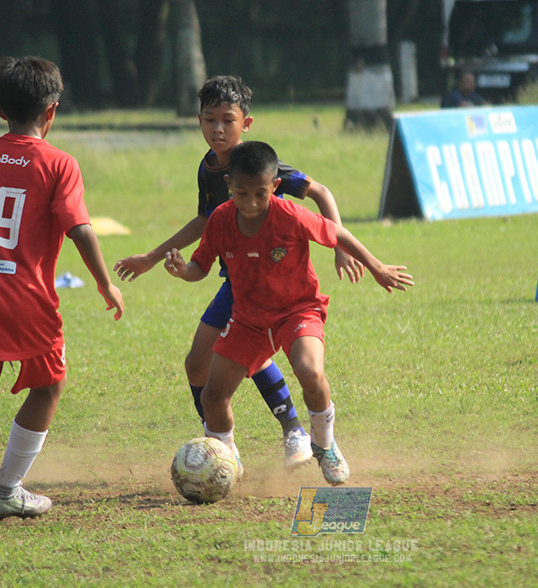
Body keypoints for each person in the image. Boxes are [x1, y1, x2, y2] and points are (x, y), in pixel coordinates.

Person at [0, 56, 125, 535]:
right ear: (51, 111)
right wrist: (103, 282)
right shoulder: (59, 164)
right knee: (48, 385)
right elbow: (79, 227)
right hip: (26, 298)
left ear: (0, 110)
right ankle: (6, 490)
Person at [114, 75, 363, 469]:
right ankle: (222, 447)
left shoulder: (258, 163)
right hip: (237, 279)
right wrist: (153, 257)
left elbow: (320, 191)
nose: (218, 129)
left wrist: (339, 250)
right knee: (200, 364)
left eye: (227, 120)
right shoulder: (209, 168)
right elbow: (206, 219)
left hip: (270, 282)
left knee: (239, 355)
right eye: (210, 120)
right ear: (198, 120)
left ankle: (293, 433)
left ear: (245, 123)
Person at [163, 141, 413, 484]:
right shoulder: (221, 219)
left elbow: (338, 233)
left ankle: (324, 444)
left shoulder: (291, 216)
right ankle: (226, 459)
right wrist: (182, 270)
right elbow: (200, 267)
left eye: (260, 194)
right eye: (242, 193)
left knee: (310, 371)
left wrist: (377, 267)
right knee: (213, 395)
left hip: (298, 312)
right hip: (248, 320)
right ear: (229, 186)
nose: (251, 203)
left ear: (275, 186)